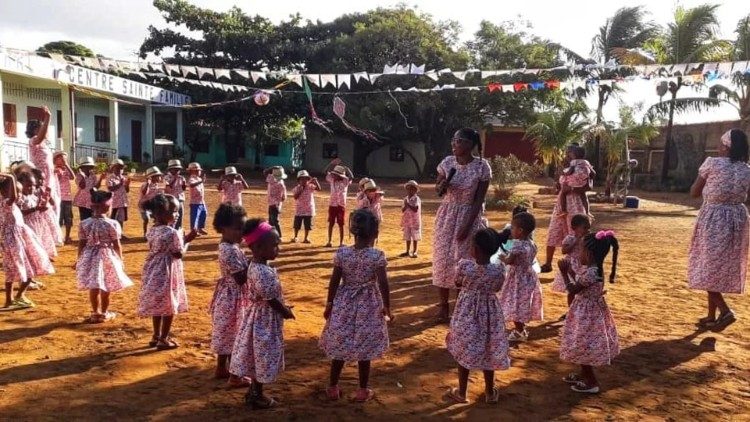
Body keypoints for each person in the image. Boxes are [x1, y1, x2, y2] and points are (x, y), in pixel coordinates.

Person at [319, 209, 393, 402]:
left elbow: (334, 281)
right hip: (368, 304)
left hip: (344, 302)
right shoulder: (377, 255)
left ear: (352, 232)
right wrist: (387, 306)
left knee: (340, 345)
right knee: (364, 347)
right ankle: (362, 390)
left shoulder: (342, 253)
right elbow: (383, 283)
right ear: (375, 234)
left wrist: (329, 303)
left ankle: (333, 386)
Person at [688, 128, 750, 329]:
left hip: (714, 219)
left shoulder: (712, 163)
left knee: (707, 266)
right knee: (716, 266)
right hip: (737, 220)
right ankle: (710, 316)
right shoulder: (747, 169)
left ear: (726, 146)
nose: (718, 147)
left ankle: (725, 311)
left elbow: (694, 193)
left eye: (720, 144)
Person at [230, 218, 294, 410]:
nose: (278, 249)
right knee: (262, 355)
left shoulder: (256, 266)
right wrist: (285, 311)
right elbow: (270, 299)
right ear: (257, 247)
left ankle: (254, 392)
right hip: (263, 322)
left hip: (259, 317)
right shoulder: (262, 271)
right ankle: (257, 395)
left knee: (259, 354)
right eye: (274, 245)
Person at [433, 128, 492, 323]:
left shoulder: (482, 167)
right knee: (443, 259)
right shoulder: (447, 163)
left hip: (469, 215)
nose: (454, 144)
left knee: (463, 261)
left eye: (458, 141)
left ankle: (461, 305)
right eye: (453, 140)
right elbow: (438, 188)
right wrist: (441, 186)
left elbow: (479, 200)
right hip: (447, 216)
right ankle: (443, 306)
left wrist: (467, 226)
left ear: (468, 144)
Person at [445, 228, 509, 404]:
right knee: (489, 348)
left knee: (465, 347)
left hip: (467, 312)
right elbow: (497, 288)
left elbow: (457, 282)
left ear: (477, 249)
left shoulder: (465, 266)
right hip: (490, 314)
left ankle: (462, 392)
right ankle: (489, 392)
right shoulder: (499, 270)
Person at [558, 231, 620, 394]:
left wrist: (564, 273)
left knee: (583, 345)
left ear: (590, 254)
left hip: (587, 315)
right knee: (581, 343)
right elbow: (580, 282)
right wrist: (571, 271)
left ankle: (592, 382)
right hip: (587, 311)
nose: (579, 254)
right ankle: (583, 374)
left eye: (582, 250)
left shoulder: (592, 272)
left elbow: (573, 288)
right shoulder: (593, 269)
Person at [137, 194, 198, 350]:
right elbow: (178, 254)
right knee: (170, 304)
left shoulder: (151, 230)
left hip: (153, 269)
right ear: (161, 213)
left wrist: (182, 239)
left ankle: (156, 335)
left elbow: (158, 247)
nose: (177, 214)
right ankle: (164, 338)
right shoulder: (172, 233)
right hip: (167, 270)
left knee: (158, 304)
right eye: (174, 211)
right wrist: (187, 241)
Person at [76, 189, 133, 323]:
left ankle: (95, 312)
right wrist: (120, 260)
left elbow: (81, 244)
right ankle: (104, 312)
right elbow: (117, 244)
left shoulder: (84, 223)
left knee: (94, 285)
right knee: (106, 285)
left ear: (91, 206)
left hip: (89, 256)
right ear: (108, 207)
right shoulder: (112, 224)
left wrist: (79, 259)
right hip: (107, 256)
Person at [0, 173, 54, 310]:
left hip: (17, 239)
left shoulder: (9, 205)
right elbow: (12, 197)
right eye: (16, 192)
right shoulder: (6, 203)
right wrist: (11, 177)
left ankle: (12, 299)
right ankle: (15, 297)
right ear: (5, 192)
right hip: (15, 241)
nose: (17, 195)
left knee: (14, 271)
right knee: (26, 268)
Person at [210, 203, 250, 388]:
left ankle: (221, 368)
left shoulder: (229, 246)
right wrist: (254, 263)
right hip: (233, 298)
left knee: (226, 333)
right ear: (224, 228)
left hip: (228, 296)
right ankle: (235, 376)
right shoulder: (230, 250)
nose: (242, 232)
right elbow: (241, 278)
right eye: (238, 228)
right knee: (237, 335)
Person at [541, 145, 592, 273]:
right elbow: (563, 186)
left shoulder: (582, 168)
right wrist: (562, 187)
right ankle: (548, 263)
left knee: (578, 233)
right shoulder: (572, 167)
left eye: (569, 152)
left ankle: (580, 264)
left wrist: (571, 189)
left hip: (575, 203)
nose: (567, 155)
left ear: (574, 154)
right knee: (554, 231)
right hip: (562, 205)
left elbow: (588, 187)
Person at [499, 211, 543, 342]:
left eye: (512, 227)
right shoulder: (531, 243)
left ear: (520, 230)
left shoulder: (518, 245)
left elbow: (510, 261)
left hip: (517, 279)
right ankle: (521, 329)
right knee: (522, 303)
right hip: (528, 277)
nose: (510, 230)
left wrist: (502, 258)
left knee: (515, 304)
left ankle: (519, 331)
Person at [551, 214, 592, 318]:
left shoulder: (588, 239)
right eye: (584, 228)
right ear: (574, 228)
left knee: (581, 290)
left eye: (588, 227)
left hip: (583, 266)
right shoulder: (569, 238)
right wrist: (576, 241)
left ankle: (578, 311)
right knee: (571, 290)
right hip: (571, 266)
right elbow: (564, 251)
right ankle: (571, 311)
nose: (587, 230)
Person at [27, 105, 60, 221]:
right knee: (45, 208)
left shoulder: (44, 145)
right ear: (36, 130)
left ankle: (51, 235)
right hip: (41, 180)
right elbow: (40, 137)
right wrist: (48, 117)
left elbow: (45, 162)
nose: (46, 131)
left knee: (54, 206)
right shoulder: (33, 141)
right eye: (42, 128)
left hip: (50, 179)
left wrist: (54, 169)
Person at [17, 171, 57, 259]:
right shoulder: (21, 198)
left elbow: (38, 208)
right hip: (27, 225)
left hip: (37, 223)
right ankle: (35, 258)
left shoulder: (34, 197)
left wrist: (42, 207)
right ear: (20, 185)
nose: (31, 188)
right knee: (31, 242)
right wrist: (35, 209)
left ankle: (43, 255)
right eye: (28, 185)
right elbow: (20, 213)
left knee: (40, 239)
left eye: (33, 185)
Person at [323, 159, 354, 247]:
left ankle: (341, 242)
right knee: (331, 223)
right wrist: (331, 164)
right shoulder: (332, 180)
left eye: (336, 175)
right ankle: (329, 241)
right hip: (332, 205)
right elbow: (325, 171)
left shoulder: (345, 182)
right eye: (334, 174)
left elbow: (351, 177)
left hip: (341, 205)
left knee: (341, 224)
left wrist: (347, 169)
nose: (334, 176)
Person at [558, 145, 594, 217]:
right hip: (582, 182)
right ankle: (587, 212)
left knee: (563, 193)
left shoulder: (574, 162)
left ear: (574, 155)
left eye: (570, 153)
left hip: (573, 183)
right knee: (583, 196)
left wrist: (564, 173)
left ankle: (563, 210)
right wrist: (589, 178)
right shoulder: (586, 162)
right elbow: (593, 173)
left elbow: (570, 171)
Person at [32, 168, 63, 249]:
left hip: (47, 214)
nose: (42, 181)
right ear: (33, 179)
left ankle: (47, 251)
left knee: (48, 233)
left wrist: (48, 195)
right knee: (40, 234)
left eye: (43, 179)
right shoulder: (32, 191)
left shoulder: (43, 189)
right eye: (39, 179)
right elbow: (35, 204)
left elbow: (52, 203)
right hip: (38, 215)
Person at [291, 170, 320, 244]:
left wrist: (315, 181)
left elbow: (319, 189)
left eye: (305, 179)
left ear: (307, 179)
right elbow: (295, 197)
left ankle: (306, 238)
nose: (304, 180)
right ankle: (295, 236)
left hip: (309, 209)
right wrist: (301, 189)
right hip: (299, 210)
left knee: (307, 225)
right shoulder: (297, 188)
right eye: (302, 179)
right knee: (297, 225)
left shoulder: (310, 186)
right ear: (299, 180)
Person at [54, 152, 76, 244]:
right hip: (58, 198)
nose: (63, 160)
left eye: (65, 158)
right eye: (61, 159)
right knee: (59, 218)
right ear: (56, 160)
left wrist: (66, 165)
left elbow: (72, 177)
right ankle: (59, 237)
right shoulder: (54, 170)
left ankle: (67, 237)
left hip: (67, 198)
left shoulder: (66, 169)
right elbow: (56, 181)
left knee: (68, 218)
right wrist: (59, 172)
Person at [107, 159, 130, 236]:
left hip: (123, 201)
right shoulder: (110, 177)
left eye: (121, 168)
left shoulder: (123, 178)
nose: (120, 170)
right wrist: (121, 183)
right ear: (113, 168)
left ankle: (120, 233)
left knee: (121, 219)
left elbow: (126, 190)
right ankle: (111, 234)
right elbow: (110, 188)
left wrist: (127, 185)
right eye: (117, 168)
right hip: (114, 202)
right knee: (113, 218)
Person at [72, 157, 100, 222]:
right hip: (82, 201)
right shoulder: (79, 176)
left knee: (93, 218)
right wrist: (83, 177)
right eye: (86, 167)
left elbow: (96, 187)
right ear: (82, 168)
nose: (88, 168)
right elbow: (82, 186)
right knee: (84, 219)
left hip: (92, 200)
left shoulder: (93, 175)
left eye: (90, 167)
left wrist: (101, 178)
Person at [139, 167, 164, 238]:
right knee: (146, 218)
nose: (159, 177)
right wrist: (148, 183)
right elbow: (144, 193)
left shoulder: (157, 185)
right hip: (144, 205)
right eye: (157, 176)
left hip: (153, 205)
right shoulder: (145, 185)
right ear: (152, 177)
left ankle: (154, 233)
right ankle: (145, 233)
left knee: (157, 218)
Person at [264, 166, 287, 238]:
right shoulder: (281, 181)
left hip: (274, 204)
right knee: (272, 221)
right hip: (274, 204)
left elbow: (265, 172)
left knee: (274, 221)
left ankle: (278, 236)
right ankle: (273, 235)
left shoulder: (271, 179)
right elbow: (284, 196)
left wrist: (271, 168)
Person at [400, 180, 422, 258]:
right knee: (407, 236)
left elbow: (415, 209)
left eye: (412, 189)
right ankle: (407, 251)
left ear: (415, 190)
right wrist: (406, 206)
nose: (410, 191)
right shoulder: (405, 198)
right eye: (408, 189)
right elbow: (403, 210)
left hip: (414, 221)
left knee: (415, 236)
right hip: (407, 220)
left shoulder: (416, 199)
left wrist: (408, 205)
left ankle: (415, 251)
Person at [164, 160, 186, 230]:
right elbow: (169, 187)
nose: (177, 170)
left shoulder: (181, 178)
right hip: (171, 200)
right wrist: (175, 179)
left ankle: (178, 230)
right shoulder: (166, 177)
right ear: (170, 169)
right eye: (175, 169)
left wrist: (184, 184)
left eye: (178, 169)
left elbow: (183, 189)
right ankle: (170, 230)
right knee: (171, 216)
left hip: (180, 199)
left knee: (180, 216)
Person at [187, 162, 208, 235]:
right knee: (195, 216)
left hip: (201, 201)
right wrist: (201, 181)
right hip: (195, 202)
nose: (199, 171)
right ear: (192, 171)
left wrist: (201, 181)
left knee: (203, 214)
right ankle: (194, 230)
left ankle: (200, 228)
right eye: (197, 170)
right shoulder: (192, 178)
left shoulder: (199, 178)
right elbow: (191, 185)